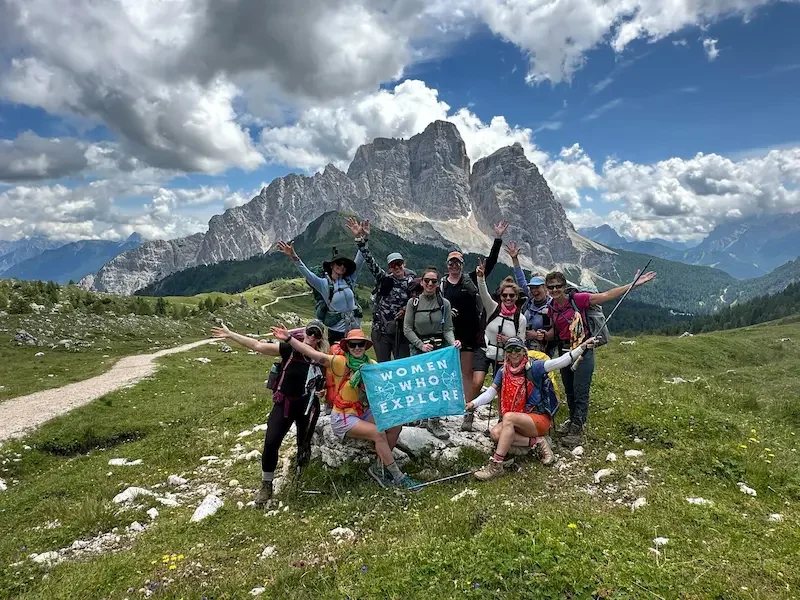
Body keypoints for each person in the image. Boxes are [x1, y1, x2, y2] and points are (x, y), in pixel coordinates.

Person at [269, 325, 421, 490]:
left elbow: (392, 378)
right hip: (343, 416)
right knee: (378, 433)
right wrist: (289, 339)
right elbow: (312, 353)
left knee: (395, 425)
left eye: (360, 344)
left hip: (362, 412)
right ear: (347, 346)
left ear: (365, 346)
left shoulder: (371, 365)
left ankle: (379, 467)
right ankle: (398, 476)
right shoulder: (339, 362)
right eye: (352, 345)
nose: (356, 348)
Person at [211, 319, 328, 506]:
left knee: (304, 443)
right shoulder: (289, 349)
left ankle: (300, 475)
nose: (312, 336)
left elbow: (328, 384)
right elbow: (257, 345)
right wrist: (231, 334)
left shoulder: (322, 358)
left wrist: (324, 391)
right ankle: (266, 484)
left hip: (309, 406)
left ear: (320, 339)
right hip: (285, 404)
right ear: (304, 332)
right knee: (271, 442)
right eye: (310, 331)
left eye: (317, 334)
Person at [544, 268, 657, 447]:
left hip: (584, 351)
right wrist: (536, 335)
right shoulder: (551, 307)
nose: (555, 290)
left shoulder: (578, 299)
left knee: (580, 390)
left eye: (558, 286)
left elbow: (606, 295)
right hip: (565, 351)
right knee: (570, 390)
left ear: (564, 286)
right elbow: (555, 332)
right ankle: (574, 421)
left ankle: (578, 430)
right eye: (551, 287)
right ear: (547, 289)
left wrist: (633, 285)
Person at [466, 335, 598, 480]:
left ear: (524, 351)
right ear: (506, 353)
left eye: (517, 349)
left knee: (508, 417)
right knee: (496, 434)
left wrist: (582, 347)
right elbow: (490, 393)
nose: (513, 353)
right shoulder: (503, 371)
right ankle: (538, 442)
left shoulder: (534, 367)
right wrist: (473, 403)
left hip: (538, 418)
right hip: (519, 419)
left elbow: (560, 362)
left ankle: (496, 464)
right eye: (509, 350)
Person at [441, 221, 507, 432]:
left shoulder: (470, 279)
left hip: (469, 335)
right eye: (451, 263)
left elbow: (492, 262)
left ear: (462, 264)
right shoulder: (441, 285)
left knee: (467, 374)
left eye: (457, 262)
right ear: (447, 265)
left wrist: (497, 239)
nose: (454, 266)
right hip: (447, 335)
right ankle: (441, 410)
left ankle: (467, 414)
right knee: (447, 374)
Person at [346, 217, 416, 362]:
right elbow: (370, 261)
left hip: (401, 333)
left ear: (404, 264)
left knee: (402, 365)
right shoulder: (384, 279)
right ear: (389, 267)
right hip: (381, 331)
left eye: (399, 264)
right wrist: (361, 238)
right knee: (383, 366)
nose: (397, 267)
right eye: (393, 265)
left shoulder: (413, 282)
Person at [403, 266, 461, 440]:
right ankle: (421, 416)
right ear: (421, 282)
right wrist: (420, 345)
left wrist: (453, 342)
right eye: (426, 280)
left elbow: (448, 328)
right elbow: (407, 328)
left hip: (439, 349)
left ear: (437, 283)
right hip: (419, 348)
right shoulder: (413, 303)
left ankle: (434, 421)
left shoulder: (444, 304)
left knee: (437, 383)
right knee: (420, 383)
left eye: (433, 281)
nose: (429, 284)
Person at [277, 239, 364, 345]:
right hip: (337, 332)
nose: (342, 266)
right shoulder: (324, 284)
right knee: (337, 360)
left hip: (355, 331)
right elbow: (307, 274)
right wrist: (293, 256)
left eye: (345, 265)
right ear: (331, 265)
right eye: (339, 263)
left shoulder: (349, 280)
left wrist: (362, 239)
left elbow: (359, 260)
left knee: (356, 359)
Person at [473, 259, 527, 412]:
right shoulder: (493, 307)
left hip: (505, 355)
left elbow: (521, 343)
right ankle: (469, 412)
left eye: (511, 296)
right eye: (505, 296)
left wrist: (508, 341)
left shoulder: (520, 318)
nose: (508, 299)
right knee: (477, 382)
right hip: (485, 349)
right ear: (500, 296)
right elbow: (483, 293)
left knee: (501, 387)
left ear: (516, 297)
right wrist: (481, 277)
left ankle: (502, 418)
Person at [506, 242, 553, 355]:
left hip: (544, 351)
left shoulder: (552, 305)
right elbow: (521, 279)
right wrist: (515, 258)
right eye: (532, 288)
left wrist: (537, 335)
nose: (534, 291)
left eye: (537, 287)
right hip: (525, 349)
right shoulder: (529, 300)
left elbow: (557, 330)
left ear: (545, 288)